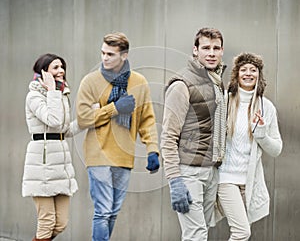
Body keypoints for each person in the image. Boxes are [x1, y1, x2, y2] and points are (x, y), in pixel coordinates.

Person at [76, 32, 160, 241]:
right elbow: (83, 118)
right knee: (103, 210)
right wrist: (114, 109)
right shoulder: (91, 81)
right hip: (98, 154)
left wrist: (152, 150)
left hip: (124, 155)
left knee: (113, 212)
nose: (104, 58)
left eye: (111, 54)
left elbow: (147, 119)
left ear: (124, 55)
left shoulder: (139, 82)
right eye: (103, 53)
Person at [161, 27, 227, 241]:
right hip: (189, 172)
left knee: (202, 231)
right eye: (206, 48)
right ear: (195, 50)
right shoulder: (182, 84)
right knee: (195, 235)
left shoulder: (216, 81)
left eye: (216, 48)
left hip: (211, 171)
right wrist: (175, 181)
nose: (211, 53)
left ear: (222, 51)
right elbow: (168, 137)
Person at [217, 52, 283, 240]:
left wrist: (261, 134)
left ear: (259, 75)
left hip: (250, 180)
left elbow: (277, 149)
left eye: (253, 70)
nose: (248, 73)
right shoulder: (225, 101)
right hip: (226, 177)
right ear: (237, 74)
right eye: (243, 69)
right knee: (242, 232)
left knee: (242, 232)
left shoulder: (266, 107)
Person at [22, 53, 81, 241]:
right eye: (55, 67)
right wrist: (53, 91)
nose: (61, 71)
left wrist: (89, 117)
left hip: (61, 166)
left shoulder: (61, 94)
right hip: (41, 165)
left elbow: (64, 129)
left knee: (61, 223)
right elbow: (53, 120)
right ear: (43, 71)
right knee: (46, 221)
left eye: (62, 66)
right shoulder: (34, 96)